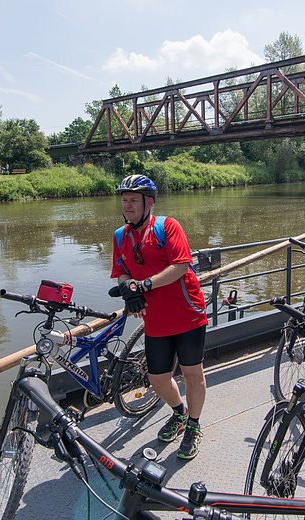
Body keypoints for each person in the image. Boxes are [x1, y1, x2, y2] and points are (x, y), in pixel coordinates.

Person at [111, 174, 208, 460]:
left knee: (192, 374)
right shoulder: (121, 236)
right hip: (156, 320)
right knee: (157, 378)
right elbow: (121, 272)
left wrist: (145, 285)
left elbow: (180, 266)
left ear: (149, 202)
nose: (127, 206)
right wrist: (128, 288)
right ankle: (179, 413)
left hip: (187, 314)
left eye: (133, 201)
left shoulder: (168, 226)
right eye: (124, 201)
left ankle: (193, 425)